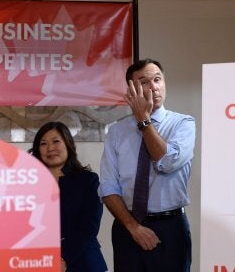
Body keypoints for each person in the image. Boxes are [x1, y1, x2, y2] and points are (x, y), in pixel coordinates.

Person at [99, 58, 195, 271]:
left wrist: (143, 120)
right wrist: (133, 227)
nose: (153, 86)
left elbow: (166, 161)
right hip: (128, 226)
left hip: (170, 227)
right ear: (131, 91)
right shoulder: (116, 131)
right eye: (144, 82)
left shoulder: (183, 124)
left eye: (158, 80)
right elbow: (108, 187)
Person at [29, 122, 108, 272]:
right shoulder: (28, 183)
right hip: (40, 261)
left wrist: (64, 259)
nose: (50, 148)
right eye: (43, 143)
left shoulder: (88, 180)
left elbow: (89, 226)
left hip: (83, 261)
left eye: (56, 141)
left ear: (68, 144)